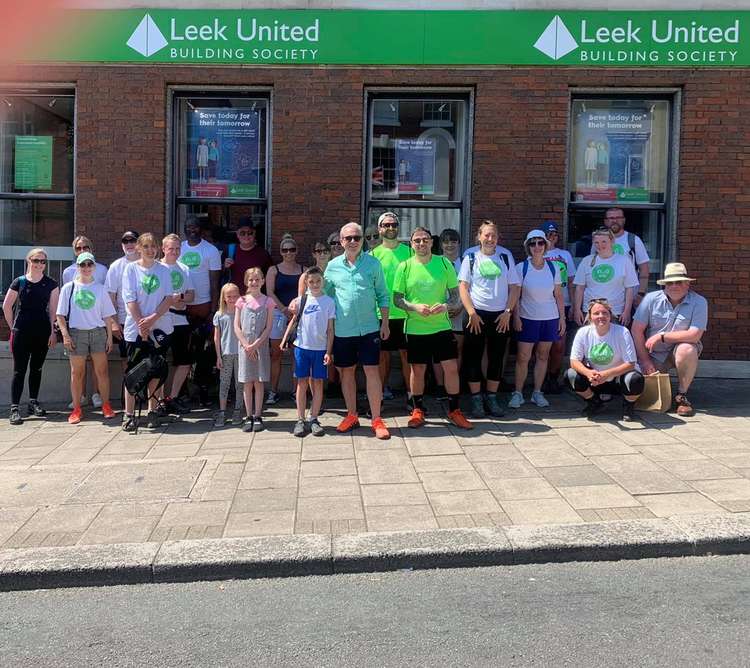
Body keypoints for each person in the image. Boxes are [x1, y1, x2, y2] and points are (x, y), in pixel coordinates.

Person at [394, 227, 473, 430]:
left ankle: (454, 410)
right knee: (417, 370)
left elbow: (455, 296)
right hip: (415, 328)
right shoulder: (404, 266)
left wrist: (445, 306)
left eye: (425, 240)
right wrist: (414, 307)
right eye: (417, 241)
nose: (421, 244)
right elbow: (396, 299)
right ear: (411, 244)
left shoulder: (444, 263)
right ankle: (417, 410)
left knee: (451, 368)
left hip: (441, 327)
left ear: (431, 242)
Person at [323, 222, 391, 439]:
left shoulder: (373, 264)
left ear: (362, 240)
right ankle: (351, 415)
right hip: (343, 330)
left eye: (357, 238)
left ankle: (377, 419)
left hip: (370, 328)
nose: (353, 241)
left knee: (372, 371)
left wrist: (386, 323)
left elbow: (383, 294)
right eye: (348, 238)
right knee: (347, 372)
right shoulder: (332, 266)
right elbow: (324, 295)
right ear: (341, 241)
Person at [458, 220, 521, 418]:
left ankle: (492, 398)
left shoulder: (505, 255)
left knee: (496, 357)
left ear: (498, 238)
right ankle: (476, 399)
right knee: (473, 357)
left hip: (500, 316)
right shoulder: (470, 256)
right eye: (486, 235)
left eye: (493, 235)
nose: (490, 239)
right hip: (475, 315)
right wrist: (471, 312)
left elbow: (515, 287)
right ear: (479, 236)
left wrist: (508, 312)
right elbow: (463, 287)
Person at [631, 262, 708, 417]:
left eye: (678, 282)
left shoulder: (699, 302)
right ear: (664, 284)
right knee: (638, 390)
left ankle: (681, 396)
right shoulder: (651, 299)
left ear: (687, 284)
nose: (674, 286)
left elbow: (694, 335)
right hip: (654, 355)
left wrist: (662, 336)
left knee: (686, 349)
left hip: (681, 351)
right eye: (669, 282)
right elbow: (636, 330)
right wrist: (645, 361)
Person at [121, 233, 176, 432]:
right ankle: (129, 414)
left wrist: (152, 319)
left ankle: (152, 410)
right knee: (134, 371)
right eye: (146, 247)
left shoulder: (163, 270)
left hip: (160, 327)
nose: (150, 250)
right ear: (138, 248)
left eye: (153, 246)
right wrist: (141, 324)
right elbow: (130, 299)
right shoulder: (130, 270)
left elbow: (169, 299)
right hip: (135, 329)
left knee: (155, 370)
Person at [56, 252, 117, 424]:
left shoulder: (100, 288)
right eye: (83, 265)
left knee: (102, 371)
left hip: (98, 333)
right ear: (78, 267)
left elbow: (107, 316)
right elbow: (60, 315)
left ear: (94, 267)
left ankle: (106, 405)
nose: (86, 268)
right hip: (76, 333)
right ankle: (76, 409)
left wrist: (109, 337)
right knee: (77, 373)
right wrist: (65, 335)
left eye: (90, 264)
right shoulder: (69, 288)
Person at [2, 248, 59, 426]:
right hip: (22, 331)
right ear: (29, 261)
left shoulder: (51, 284)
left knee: (37, 369)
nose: (39, 264)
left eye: (43, 261)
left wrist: (52, 332)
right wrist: (13, 328)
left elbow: (54, 311)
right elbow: (7, 306)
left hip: (42, 331)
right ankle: (14, 408)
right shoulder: (19, 282)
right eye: (36, 260)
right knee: (19, 370)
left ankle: (33, 402)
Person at [510, 229, 565, 409]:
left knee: (543, 356)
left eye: (540, 243)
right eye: (532, 243)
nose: (537, 247)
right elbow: (516, 296)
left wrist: (562, 319)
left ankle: (537, 392)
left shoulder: (553, 267)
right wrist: (516, 317)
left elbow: (558, 295)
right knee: (523, 357)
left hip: (549, 318)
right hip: (527, 318)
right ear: (528, 247)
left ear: (545, 245)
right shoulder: (521, 268)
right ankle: (518, 393)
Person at [566, 298, 644, 422]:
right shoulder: (583, 332)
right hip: (595, 379)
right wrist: (589, 373)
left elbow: (630, 363)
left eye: (605, 313)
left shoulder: (622, 332)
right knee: (571, 375)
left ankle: (628, 406)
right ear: (590, 317)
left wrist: (606, 374)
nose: (601, 316)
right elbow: (574, 361)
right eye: (596, 313)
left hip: (618, 379)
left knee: (635, 379)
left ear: (610, 315)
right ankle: (594, 402)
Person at [282, 267, 336, 438]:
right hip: (301, 348)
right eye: (311, 281)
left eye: (318, 281)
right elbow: (293, 321)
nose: (314, 284)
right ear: (306, 282)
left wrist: (329, 351)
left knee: (318, 383)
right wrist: (284, 339)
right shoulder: (300, 300)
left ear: (323, 281)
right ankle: (300, 419)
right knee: (301, 383)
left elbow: (330, 329)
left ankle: (313, 418)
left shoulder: (329, 302)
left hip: (320, 350)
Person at [62, 235, 108, 409]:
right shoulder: (68, 272)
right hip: (77, 325)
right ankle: (80, 396)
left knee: (98, 364)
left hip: (97, 322)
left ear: (91, 248)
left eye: (86, 247)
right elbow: (67, 301)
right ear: (74, 251)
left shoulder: (102, 270)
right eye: (79, 248)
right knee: (78, 365)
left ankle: (96, 394)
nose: (82, 250)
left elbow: (105, 296)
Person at [180, 216, 222, 406]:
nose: (192, 230)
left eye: (195, 227)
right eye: (188, 227)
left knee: (205, 352)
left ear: (200, 229)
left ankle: (203, 389)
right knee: (184, 350)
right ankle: (182, 391)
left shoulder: (210, 250)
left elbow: (215, 283)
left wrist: (213, 310)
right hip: (181, 307)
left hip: (204, 305)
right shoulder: (178, 248)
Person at [372, 212, 411, 403]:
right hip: (381, 315)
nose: (390, 228)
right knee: (382, 357)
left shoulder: (410, 252)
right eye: (386, 225)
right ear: (380, 229)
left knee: (407, 357)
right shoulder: (372, 255)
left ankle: (412, 397)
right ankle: (378, 396)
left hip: (407, 315)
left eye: (394, 224)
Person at [265, 234, 306, 405]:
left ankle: (296, 392)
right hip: (278, 315)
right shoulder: (274, 270)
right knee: (276, 355)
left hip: (299, 316)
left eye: (292, 249)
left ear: (296, 251)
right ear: (281, 252)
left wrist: (295, 311)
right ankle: (273, 391)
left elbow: (306, 293)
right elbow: (269, 292)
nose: (288, 253)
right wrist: (283, 309)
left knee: (298, 356)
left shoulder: (304, 270)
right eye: (285, 250)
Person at [573, 227, 639, 328]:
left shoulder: (624, 261)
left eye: (604, 241)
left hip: (615, 313)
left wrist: (627, 311)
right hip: (590, 313)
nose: (600, 245)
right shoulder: (586, 261)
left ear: (612, 241)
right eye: (596, 242)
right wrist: (577, 310)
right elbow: (579, 288)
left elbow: (629, 288)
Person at [235, 267, 275, 433]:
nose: (254, 282)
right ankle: (248, 415)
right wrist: (246, 344)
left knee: (258, 382)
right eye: (251, 280)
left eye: (257, 279)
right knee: (247, 382)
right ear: (246, 281)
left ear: (263, 281)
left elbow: (268, 327)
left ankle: (258, 414)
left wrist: (255, 345)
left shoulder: (268, 302)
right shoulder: (241, 301)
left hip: (260, 347)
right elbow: (237, 326)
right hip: (244, 348)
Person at [160, 234, 195, 414]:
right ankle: (157, 401)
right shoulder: (157, 268)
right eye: (170, 248)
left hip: (181, 320)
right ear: (163, 248)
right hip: (161, 320)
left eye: (177, 249)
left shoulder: (184, 268)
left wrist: (179, 297)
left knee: (184, 361)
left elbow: (191, 296)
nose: (174, 252)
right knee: (159, 362)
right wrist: (170, 301)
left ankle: (172, 397)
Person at [542, 220, 578, 394]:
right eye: (548, 235)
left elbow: (571, 281)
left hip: (562, 304)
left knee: (559, 345)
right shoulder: (534, 253)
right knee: (541, 346)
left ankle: (552, 378)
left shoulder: (565, 255)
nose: (552, 238)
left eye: (555, 234)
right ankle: (540, 379)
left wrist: (572, 305)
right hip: (541, 306)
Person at [433, 228, 465, 398]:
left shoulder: (466, 263)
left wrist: (459, 307)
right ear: (441, 244)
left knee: (456, 348)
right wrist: (444, 307)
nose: (450, 245)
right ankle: (440, 385)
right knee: (439, 349)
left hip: (460, 312)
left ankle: (452, 383)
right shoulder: (436, 262)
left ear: (459, 243)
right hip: (439, 311)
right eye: (446, 241)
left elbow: (469, 287)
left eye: (453, 241)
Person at [596, 208, 650, 307]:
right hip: (602, 297)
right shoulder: (598, 240)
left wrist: (641, 293)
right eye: (611, 218)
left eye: (618, 217)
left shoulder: (633, 240)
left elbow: (644, 268)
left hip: (628, 298)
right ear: (605, 221)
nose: (614, 221)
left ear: (624, 220)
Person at [106, 230, 140, 375]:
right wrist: (113, 322)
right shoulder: (116, 266)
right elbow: (110, 296)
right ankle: (129, 393)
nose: (129, 244)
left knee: (146, 359)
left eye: (132, 240)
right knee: (127, 359)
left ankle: (143, 397)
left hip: (147, 320)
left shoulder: (148, 264)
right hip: (124, 321)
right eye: (125, 241)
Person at [213, 283, 244, 427]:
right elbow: (216, 337)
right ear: (224, 298)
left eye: (235, 296)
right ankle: (222, 411)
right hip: (226, 354)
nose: (232, 299)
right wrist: (218, 356)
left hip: (240, 353)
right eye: (229, 296)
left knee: (240, 384)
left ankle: (238, 410)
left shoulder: (243, 312)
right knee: (224, 383)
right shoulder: (220, 315)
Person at [225, 218, 273, 292]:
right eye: (242, 233)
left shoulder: (263, 254)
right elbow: (218, 274)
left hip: (256, 299)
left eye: (249, 233)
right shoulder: (230, 250)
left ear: (254, 233)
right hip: (234, 298)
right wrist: (224, 267)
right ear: (237, 234)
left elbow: (270, 277)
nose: (246, 236)